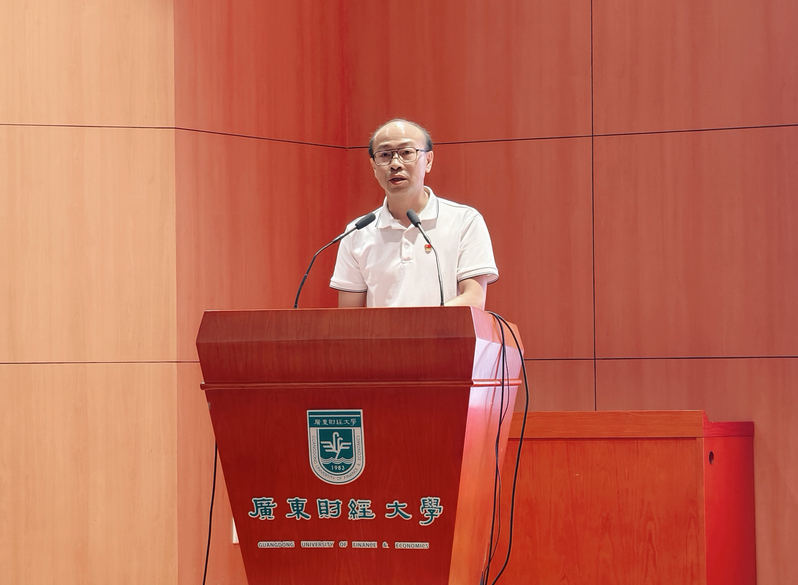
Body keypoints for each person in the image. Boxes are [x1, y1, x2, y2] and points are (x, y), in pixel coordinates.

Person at [330, 119, 498, 309]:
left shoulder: (464, 221)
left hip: (445, 330)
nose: (395, 164)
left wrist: (420, 324)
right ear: (374, 167)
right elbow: (349, 315)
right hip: (384, 331)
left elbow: (474, 299)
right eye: (384, 155)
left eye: (406, 153)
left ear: (428, 160)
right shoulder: (356, 232)